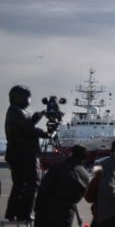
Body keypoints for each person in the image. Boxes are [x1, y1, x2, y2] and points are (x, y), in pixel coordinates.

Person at [4, 84, 51, 222]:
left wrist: (41, 114)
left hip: (19, 154)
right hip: (24, 155)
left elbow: (28, 123)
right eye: (28, 97)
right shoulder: (15, 112)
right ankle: (24, 214)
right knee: (31, 184)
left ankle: (13, 213)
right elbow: (28, 129)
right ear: (20, 97)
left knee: (20, 185)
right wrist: (47, 134)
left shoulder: (15, 111)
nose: (29, 100)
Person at [33, 143, 91, 227]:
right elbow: (81, 195)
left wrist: (37, 208)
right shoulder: (85, 175)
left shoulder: (57, 167)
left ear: (71, 153)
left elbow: (44, 188)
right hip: (67, 213)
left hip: (47, 210)